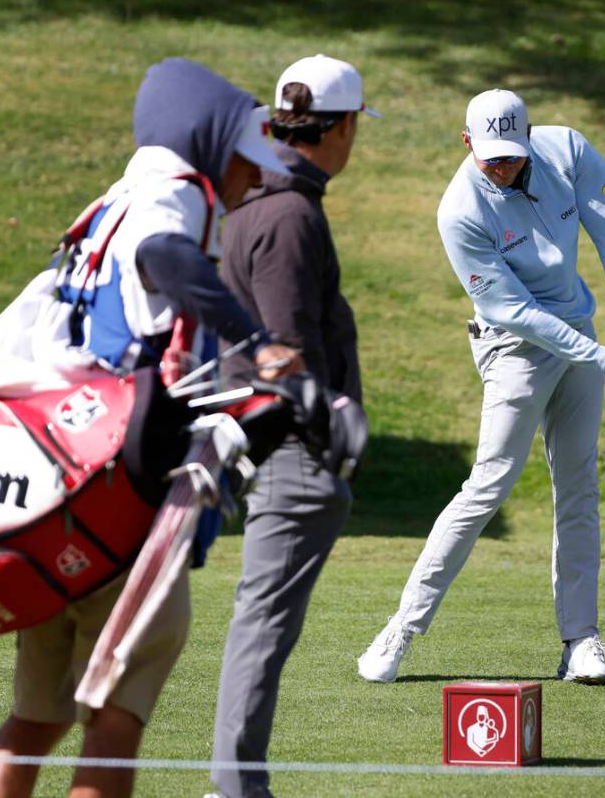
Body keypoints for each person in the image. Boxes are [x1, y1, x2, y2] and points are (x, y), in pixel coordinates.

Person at [0, 58, 301, 798]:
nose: (256, 177)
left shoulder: (107, 203)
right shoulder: (176, 195)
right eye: (249, 158)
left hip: (58, 494)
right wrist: (256, 339)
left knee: (34, 722)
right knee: (115, 723)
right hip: (121, 502)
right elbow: (166, 255)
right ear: (211, 140)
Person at [357, 89, 605, 685]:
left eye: (512, 156)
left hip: (578, 333)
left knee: (578, 484)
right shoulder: (459, 211)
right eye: (491, 157)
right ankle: (401, 630)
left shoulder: (566, 150)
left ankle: (581, 641)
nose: (503, 167)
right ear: (467, 143)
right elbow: (514, 312)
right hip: (513, 348)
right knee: (488, 484)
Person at [205, 54, 375, 798]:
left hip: (274, 447)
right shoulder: (289, 213)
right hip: (290, 452)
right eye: (355, 126)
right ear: (339, 127)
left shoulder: (261, 201)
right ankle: (234, 790)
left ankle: (237, 786)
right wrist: (331, 434)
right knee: (263, 628)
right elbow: (287, 348)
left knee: (263, 626)